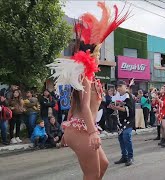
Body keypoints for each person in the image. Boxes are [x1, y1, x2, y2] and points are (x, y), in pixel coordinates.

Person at [46, 2, 129, 178]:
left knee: (103, 165)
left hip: (77, 129)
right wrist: (91, 132)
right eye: (98, 55)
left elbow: (74, 105)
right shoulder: (85, 76)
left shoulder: (89, 77)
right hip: (81, 130)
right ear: (91, 56)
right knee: (92, 175)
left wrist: (64, 132)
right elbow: (84, 106)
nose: (99, 58)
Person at [111, 80, 135, 166]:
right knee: (121, 138)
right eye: (118, 87)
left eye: (120, 86)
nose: (119, 88)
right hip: (120, 121)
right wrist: (112, 107)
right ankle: (124, 156)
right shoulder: (117, 96)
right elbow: (114, 105)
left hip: (129, 120)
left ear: (125, 86)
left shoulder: (129, 97)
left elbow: (129, 109)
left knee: (126, 136)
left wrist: (117, 108)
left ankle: (130, 157)